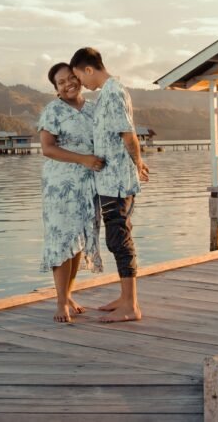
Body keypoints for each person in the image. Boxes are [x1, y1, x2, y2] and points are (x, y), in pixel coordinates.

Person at [69, 47, 149, 323]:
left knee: (119, 239)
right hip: (110, 178)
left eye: (80, 77)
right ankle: (125, 298)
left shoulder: (113, 92)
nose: (82, 84)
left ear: (88, 69)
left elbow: (129, 135)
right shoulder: (109, 92)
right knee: (116, 239)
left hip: (116, 181)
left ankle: (132, 306)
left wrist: (136, 163)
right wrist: (137, 162)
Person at [37, 62, 105, 323]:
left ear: (78, 77)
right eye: (61, 82)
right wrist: (82, 159)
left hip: (89, 184)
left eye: (70, 78)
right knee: (61, 240)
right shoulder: (53, 110)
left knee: (77, 242)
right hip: (61, 184)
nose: (68, 85)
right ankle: (60, 302)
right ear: (56, 88)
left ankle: (68, 295)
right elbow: (47, 148)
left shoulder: (93, 109)